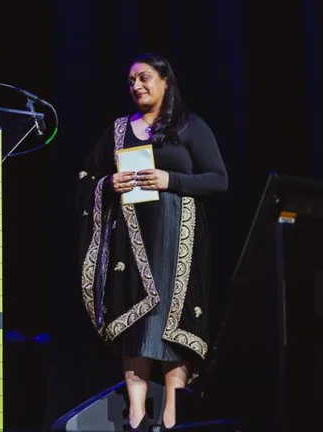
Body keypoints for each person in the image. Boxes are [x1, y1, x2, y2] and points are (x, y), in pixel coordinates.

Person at [76, 53, 228, 431]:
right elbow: (86, 174)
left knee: (173, 325)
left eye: (144, 78)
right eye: (131, 81)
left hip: (180, 237)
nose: (137, 86)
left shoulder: (188, 126)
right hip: (133, 239)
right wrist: (108, 184)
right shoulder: (118, 130)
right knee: (138, 323)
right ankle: (138, 416)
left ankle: (173, 416)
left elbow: (218, 179)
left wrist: (170, 180)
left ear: (165, 81)